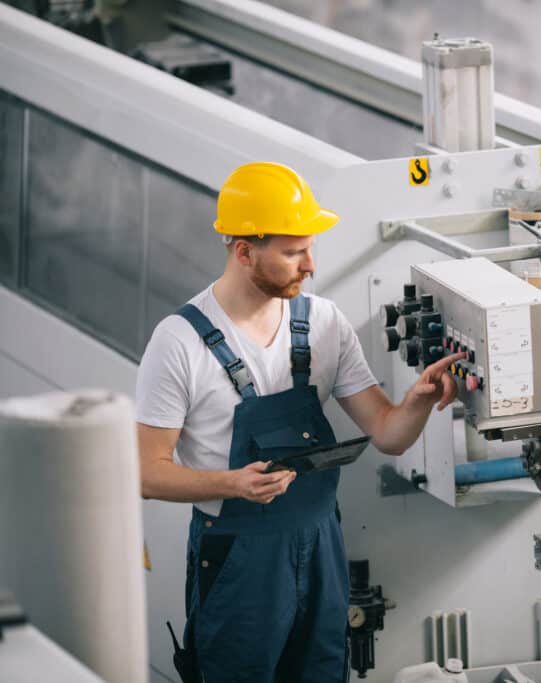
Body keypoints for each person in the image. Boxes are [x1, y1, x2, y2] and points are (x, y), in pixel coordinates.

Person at [136, 161, 464, 682]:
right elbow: (146, 473)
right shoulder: (179, 342)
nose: (310, 263)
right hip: (237, 559)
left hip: (320, 546)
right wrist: (233, 484)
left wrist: (419, 401)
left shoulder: (323, 323)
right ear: (245, 251)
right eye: (293, 252)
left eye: (309, 247)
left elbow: (388, 434)